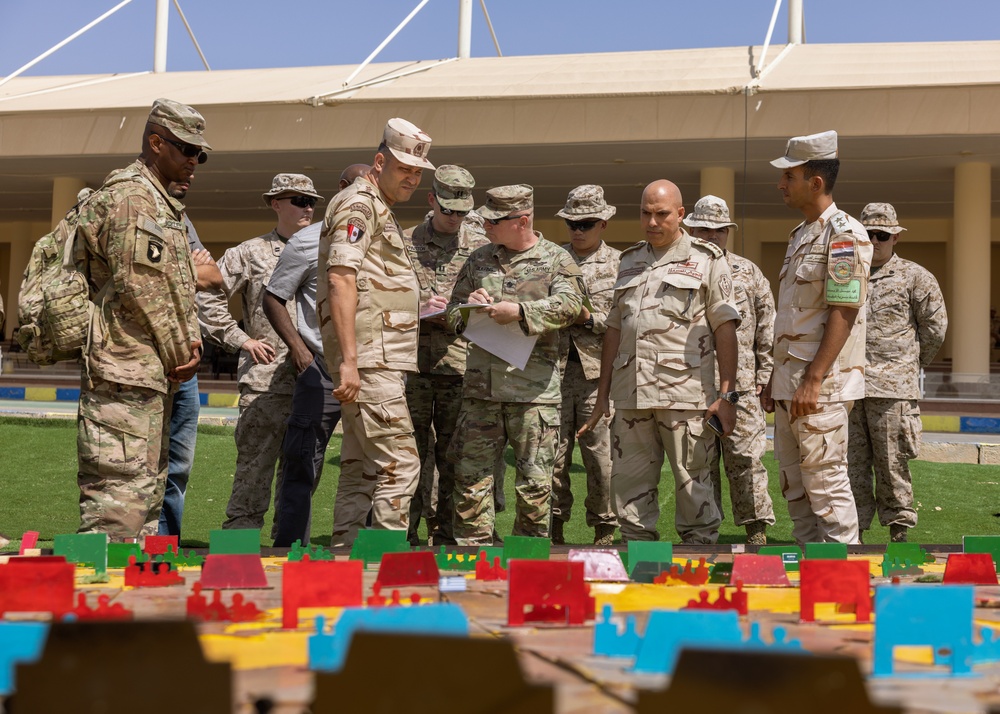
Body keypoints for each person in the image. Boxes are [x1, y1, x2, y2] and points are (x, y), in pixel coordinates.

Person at [75, 98, 207, 540]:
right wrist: (181, 350)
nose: (194, 161)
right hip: (122, 374)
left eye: (199, 154)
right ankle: (99, 606)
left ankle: (134, 604)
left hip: (148, 375)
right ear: (155, 142)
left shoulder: (160, 203)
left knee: (146, 499)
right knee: (118, 508)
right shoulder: (133, 199)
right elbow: (142, 288)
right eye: (187, 150)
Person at [580, 180, 740, 544]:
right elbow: (615, 330)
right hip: (631, 396)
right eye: (646, 213)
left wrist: (727, 397)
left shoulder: (707, 259)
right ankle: (640, 576)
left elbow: (725, 328)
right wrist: (603, 395)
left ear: (680, 214)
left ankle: (699, 579)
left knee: (694, 492)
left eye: (662, 214)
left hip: (685, 397)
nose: (652, 222)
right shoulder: (629, 260)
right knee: (630, 497)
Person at [446, 184, 585, 546]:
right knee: (471, 480)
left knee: (535, 485)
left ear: (522, 221)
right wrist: (469, 306)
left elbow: (571, 307)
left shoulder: (557, 259)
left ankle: (528, 559)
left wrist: (521, 312)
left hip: (533, 393)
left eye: (495, 220)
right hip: (481, 393)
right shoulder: (478, 260)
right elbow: (452, 315)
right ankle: (472, 559)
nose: (486, 226)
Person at [318, 118, 434, 547]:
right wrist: (350, 361)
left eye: (418, 171)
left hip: (372, 356)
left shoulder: (373, 204)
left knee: (362, 466)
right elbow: (340, 278)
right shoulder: (361, 204)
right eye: (404, 168)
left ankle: (347, 563)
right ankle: (382, 570)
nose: (411, 177)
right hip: (370, 359)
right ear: (380, 161)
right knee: (400, 466)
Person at [762, 130, 873, 546]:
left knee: (826, 485)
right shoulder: (800, 235)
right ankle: (808, 581)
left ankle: (847, 582)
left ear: (816, 182)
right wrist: (779, 377)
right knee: (795, 487)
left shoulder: (843, 233)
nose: (780, 185)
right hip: (793, 383)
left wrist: (813, 377)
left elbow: (843, 310)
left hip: (819, 387)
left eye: (788, 176)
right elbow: (794, 317)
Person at [199, 173, 323, 532]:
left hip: (314, 378)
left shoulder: (325, 251)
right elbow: (205, 295)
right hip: (267, 381)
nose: (307, 207)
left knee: (302, 473)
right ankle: (240, 549)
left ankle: (288, 547)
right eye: (298, 200)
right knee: (254, 470)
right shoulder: (249, 253)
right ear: (276, 204)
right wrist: (241, 339)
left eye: (311, 201)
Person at [265, 164, 367, 547]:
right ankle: (290, 549)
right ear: (342, 189)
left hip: (372, 369)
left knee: (373, 464)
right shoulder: (309, 240)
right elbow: (274, 296)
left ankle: (361, 551)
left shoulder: (384, 237)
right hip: (322, 369)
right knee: (303, 462)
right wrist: (299, 350)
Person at [848, 202, 947, 543]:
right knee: (851, 464)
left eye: (883, 235)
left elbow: (935, 327)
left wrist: (909, 364)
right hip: (849, 384)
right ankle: (854, 533)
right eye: (868, 234)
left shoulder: (914, 276)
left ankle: (899, 532)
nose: (875, 240)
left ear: (895, 237)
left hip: (893, 388)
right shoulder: (844, 273)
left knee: (892, 463)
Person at [402, 165, 490, 546]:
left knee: (455, 455)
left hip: (460, 365)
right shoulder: (404, 243)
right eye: (448, 210)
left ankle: (449, 534)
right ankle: (405, 532)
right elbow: (381, 295)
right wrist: (416, 304)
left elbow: (496, 297)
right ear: (431, 200)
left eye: (461, 213)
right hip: (413, 366)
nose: (454, 219)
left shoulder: (481, 246)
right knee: (410, 455)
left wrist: (474, 303)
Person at [682, 195, 776, 545]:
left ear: (728, 232)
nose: (711, 235)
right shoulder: (678, 269)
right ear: (690, 228)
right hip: (691, 383)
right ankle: (702, 535)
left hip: (742, 387)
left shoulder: (748, 272)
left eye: (719, 230)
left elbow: (768, 328)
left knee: (747, 460)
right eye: (704, 228)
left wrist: (765, 377)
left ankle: (756, 531)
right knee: (697, 463)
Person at [551, 185, 620, 546]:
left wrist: (587, 317)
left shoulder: (621, 264)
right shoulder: (550, 259)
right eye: (572, 223)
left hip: (598, 376)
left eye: (587, 223)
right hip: (554, 372)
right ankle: (554, 526)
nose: (578, 230)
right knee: (553, 457)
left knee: (600, 458)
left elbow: (621, 321)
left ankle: (604, 528)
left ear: (603, 223)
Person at [158, 197, 224, 538]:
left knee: (178, 467)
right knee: (136, 464)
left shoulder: (180, 218)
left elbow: (214, 276)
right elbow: (140, 277)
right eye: (184, 152)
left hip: (186, 362)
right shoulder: (127, 207)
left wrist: (181, 269)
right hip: (142, 365)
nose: (192, 166)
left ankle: (166, 546)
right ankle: (130, 546)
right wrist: (188, 266)